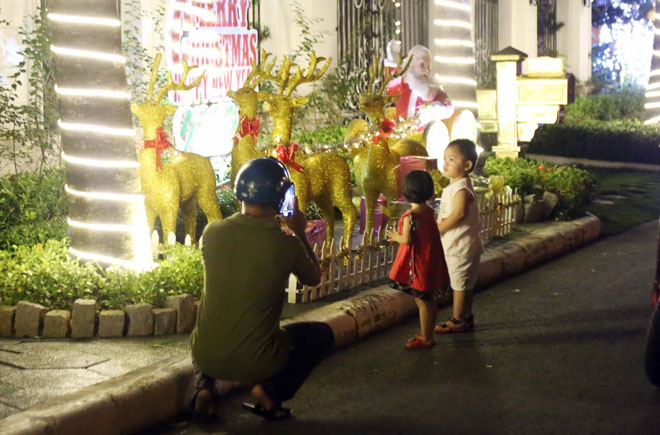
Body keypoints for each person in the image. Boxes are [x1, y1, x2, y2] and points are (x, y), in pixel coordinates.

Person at [189, 157, 335, 421]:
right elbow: (313, 277)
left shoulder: (212, 233)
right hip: (258, 360)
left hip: (205, 355)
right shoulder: (285, 244)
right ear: (281, 198)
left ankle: (203, 389)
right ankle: (267, 392)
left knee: (213, 319)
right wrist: (299, 231)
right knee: (320, 334)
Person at [386, 170, 449, 349]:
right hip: (430, 261)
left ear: (405, 193)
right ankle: (427, 333)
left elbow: (407, 240)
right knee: (428, 300)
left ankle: (426, 338)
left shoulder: (410, 216)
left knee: (423, 301)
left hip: (419, 264)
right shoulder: (429, 212)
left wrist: (395, 236)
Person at [435, 139, 484, 333]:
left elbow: (459, 213)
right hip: (461, 246)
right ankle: (466, 317)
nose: (445, 163)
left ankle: (458, 320)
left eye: (451, 159)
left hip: (460, 247)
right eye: (445, 159)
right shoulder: (456, 185)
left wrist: (439, 228)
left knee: (460, 286)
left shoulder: (461, 188)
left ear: (467, 165)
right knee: (465, 284)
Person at [385, 45, 454, 123]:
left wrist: (433, 110)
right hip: (401, 130)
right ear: (410, 65)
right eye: (422, 65)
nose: (426, 70)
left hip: (422, 132)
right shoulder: (403, 85)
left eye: (429, 67)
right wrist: (393, 62)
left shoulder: (434, 90)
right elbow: (391, 85)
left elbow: (448, 107)